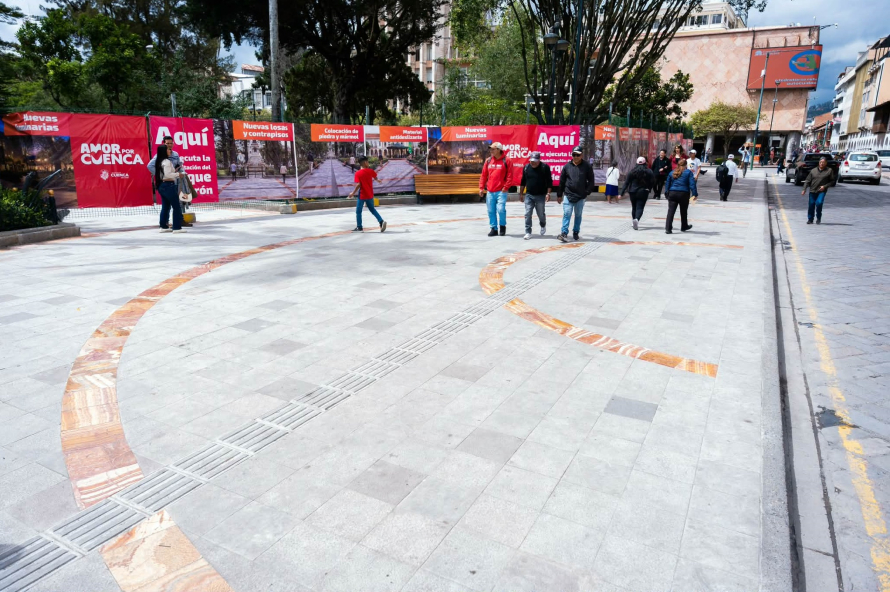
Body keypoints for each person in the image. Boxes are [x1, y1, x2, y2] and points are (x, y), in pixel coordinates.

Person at [556, 146, 594, 242]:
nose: (575, 157)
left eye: (577, 155)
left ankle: (576, 232)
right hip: (568, 195)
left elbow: (591, 181)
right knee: (567, 214)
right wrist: (559, 195)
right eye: (574, 154)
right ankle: (564, 233)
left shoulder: (587, 166)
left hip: (581, 196)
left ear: (581, 155)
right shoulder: (567, 167)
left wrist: (587, 192)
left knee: (578, 215)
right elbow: (561, 181)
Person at [479, 142, 512, 236]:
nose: (491, 151)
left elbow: (510, 176)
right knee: (490, 210)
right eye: (490, 149)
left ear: (499, 149)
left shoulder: (507, 160)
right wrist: (481, 188)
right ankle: (493, 228)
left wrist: (505, 188)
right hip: (490, 191)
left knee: (501, 209)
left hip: (501, 191)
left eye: (493, 149)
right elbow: (484, 175)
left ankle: (502, 226)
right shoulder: (488, 161)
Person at [347, 156, 387, 232]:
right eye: (368, 162)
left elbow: (359, 184)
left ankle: (359, 227)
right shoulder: (370, 171)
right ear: (365, 163)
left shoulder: (358, 173)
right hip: (370, 194)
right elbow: (375, 178)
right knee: (372, 209)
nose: (368, 163)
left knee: (358, 211)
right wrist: (378, 180)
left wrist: (352, 193)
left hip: (362, 195)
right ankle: (381, 221)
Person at [519, 151, 552, 240]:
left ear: (539, 160)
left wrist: (548, 193)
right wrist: (521, 194)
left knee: (540, 213)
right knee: (527, 213)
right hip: (529, 195)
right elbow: (523, 181)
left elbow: (549, 182)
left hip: (541, 195)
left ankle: (543, 224)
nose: (532, 162)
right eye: (531, 160)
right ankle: (528, 232)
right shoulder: (526, 168)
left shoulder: (544, 168)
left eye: (535, 161)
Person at [154, 145, 186, 233]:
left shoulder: (159, 161)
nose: (170, 151)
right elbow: (167, 175)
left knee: (165, 206)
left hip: (162, 185)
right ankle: (176, 227)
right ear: (164, 151)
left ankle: (163, 226)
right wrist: (178, 174)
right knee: (176, 206)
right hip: (168, 185)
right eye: (168, 149)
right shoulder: (167, 161)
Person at [621, 156, 655, 230]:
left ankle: (633, 221)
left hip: (632, 191)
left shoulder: (632, 171)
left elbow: (626, 183)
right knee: (640, 207)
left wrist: (621, 193)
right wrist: (649, 188)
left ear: (636, 163)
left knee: (634, 207)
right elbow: (653, 181)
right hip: (643, 191)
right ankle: (636, 219)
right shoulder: (649, 171)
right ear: (645, 163)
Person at [664, 158, 697, 234]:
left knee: (671, 211)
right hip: (684, 194)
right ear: (686, 165)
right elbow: (692, 184)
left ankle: (668, 228)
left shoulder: (672, 172)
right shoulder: (688, 172)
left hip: (672, 193)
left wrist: (666, 193)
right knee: (684, 211)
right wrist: (694, 194)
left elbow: (667, 184)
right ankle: (684, 226)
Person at [801, 157, 835, 224]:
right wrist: (804, 189)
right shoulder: (813, 170)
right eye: (820, 162)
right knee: (811, 204)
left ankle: (818, 218)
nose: (822, 164)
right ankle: (810, 219)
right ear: (819, 163)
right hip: (812, 190)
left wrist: (824, 186)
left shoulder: (829, 170)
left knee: (819, 203)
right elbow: (807, 180)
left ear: (826, 163)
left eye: (823, 162)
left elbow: (832, 181)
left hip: (821, 191)